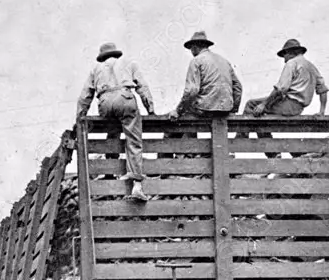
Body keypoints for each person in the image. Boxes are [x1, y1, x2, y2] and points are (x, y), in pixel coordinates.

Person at [77, 41, 157, 202]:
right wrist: (150, 109)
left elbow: (85, 95)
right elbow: (143, 87)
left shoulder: (96, 69)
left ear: (103, 57)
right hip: (125, 98)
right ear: (116, 54)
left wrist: (80, 116)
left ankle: (110, 173)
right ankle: (137, 186)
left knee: (112, 131)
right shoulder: (130, 63)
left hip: (105, 103)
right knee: (133, 141)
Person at [241, 39, 329, 156]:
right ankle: (272, 152)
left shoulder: (292, 63)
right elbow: (323, 89)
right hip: (298, 107)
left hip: (288, 104)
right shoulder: (311, 66)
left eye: (284, 55)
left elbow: (281, 89)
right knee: (258, 115)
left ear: (290, 52)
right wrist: (322, 111)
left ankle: (240, 139)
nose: (284, 59)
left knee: (251, 105)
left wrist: (264, 104)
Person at [168, 31, 243, 120]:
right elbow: (238, 87)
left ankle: (174, 134)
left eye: (191, 48)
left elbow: (191, 91)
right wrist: (233, 109)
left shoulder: (196, 61)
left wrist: (178, 110)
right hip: (225, 110)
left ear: (195, 47)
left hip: (206, 109)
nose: (191, 51)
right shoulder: (224, 61)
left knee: (183, 111)